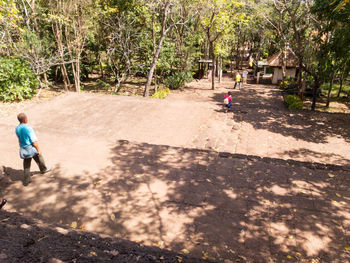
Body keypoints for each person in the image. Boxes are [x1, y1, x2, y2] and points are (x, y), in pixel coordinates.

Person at [15, 113, 51, 186]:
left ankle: (26, 180)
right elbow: (34, 141)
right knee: (39, 156)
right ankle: (43, 169)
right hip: (30, 147)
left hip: (23, 147)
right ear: (25, 119)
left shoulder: (17, 128)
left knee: (27, 163)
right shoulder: (28, 128)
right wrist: (38, 149)